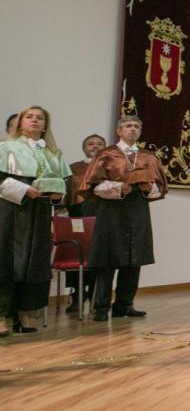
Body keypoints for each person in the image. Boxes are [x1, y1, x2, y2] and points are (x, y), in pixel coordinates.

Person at [79, 115, 167, 321]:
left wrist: (148, 188)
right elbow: (93, 187)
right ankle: (100, 307)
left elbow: (160, 188)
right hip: (111, 211)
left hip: (138, 210)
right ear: (119, 131)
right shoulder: (106, 154)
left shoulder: (148, 157)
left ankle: (124, 305)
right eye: (128, 126)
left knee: (134, 260)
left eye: (136, 126)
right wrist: (120, 187)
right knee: (107, 260)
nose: (132, 129)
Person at [0, 106, 71, 334]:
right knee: (7, 262)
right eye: (29, 117)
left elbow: (66, 183)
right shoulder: (6, 148)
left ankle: (26, 312)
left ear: (45, 124)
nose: (34, 121)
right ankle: (2, 314)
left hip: (40, 213)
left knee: (34, 264)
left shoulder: (54, 153)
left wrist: (58, 196)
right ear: (21, 122)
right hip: (11, 212)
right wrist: (23, 189)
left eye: (39, 118)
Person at [62, 133, 107, 313]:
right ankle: (77, 296)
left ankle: (98, 297)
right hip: (78, 215)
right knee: (77, 254)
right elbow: (66, 192)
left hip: (103, 216)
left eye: (99, 144)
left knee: (100, 256)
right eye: (91, 143)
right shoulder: (72, 168)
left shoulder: (111, 167)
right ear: (84, 148)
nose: (95, 146)